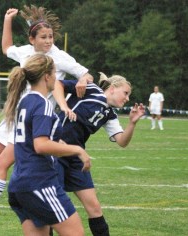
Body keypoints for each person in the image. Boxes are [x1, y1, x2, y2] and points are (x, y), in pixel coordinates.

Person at [0, 5, 93, 231]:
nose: (48, 41)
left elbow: (85, 72)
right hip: (15, 115)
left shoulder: (60, 57)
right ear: (32, 39)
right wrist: (7, 20)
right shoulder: (26, 52)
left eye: (51, 37)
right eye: (44, 37)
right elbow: (6, 47)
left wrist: (83, 80)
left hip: (33, 121)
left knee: (1, 163)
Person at [6, 54, 91, 236]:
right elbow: (41, 145)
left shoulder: (26, 101)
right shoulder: (42, 104)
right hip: (39, 182)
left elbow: (38, 141)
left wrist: (62, 146)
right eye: (55, 73)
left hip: (19, 184)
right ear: (47, 76)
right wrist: (77, 149)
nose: (57, 78)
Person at [54, 72, 145, 236]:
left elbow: (122, 141)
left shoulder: (110, 114)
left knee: (94, 208)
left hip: (76, 157)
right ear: (112, 88)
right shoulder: (90, 89)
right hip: (55, 149)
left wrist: (132, 122)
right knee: (54, 205)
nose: (127, 99)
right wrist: (64, 106)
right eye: (125, 93)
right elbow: (57, 84)